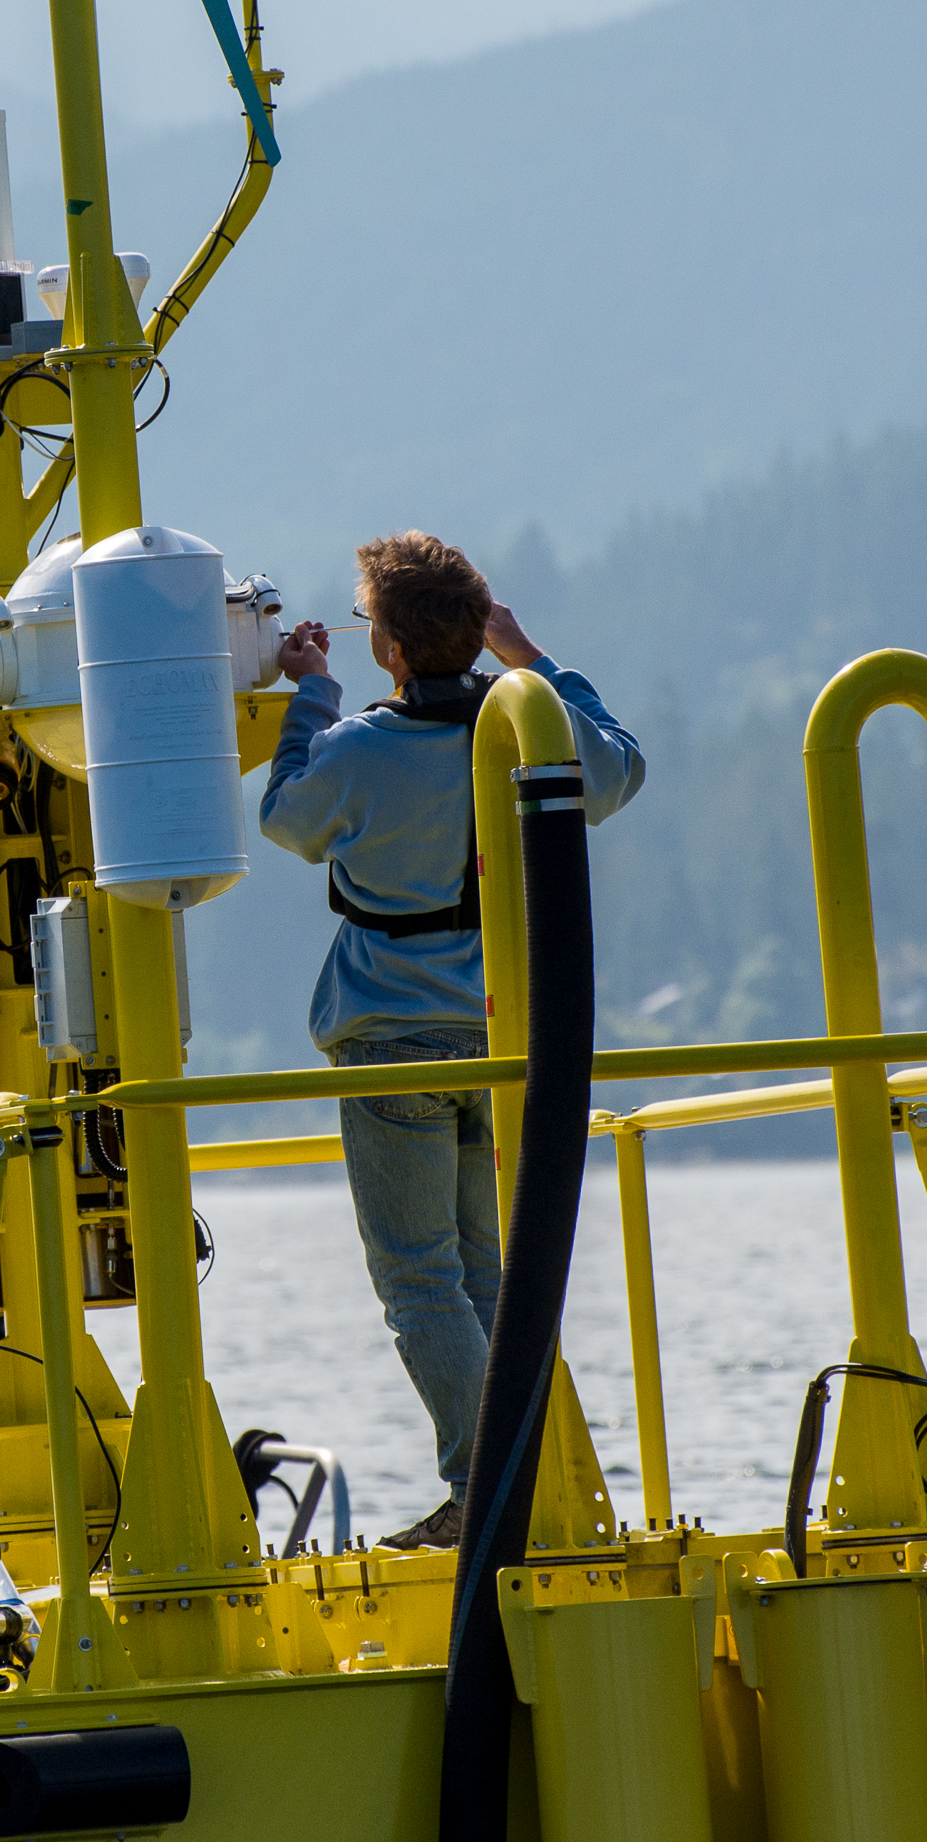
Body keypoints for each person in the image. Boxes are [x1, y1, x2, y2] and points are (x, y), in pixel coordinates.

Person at [259, 535, 645, 1549]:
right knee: (485, 1271)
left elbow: (288, 821)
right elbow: (617, 773)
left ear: (383, 649)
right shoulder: (522, 727)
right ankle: (530, 1473)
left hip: (389, 1038)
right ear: (478, 627)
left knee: (419, 1280)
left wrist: (309, 695)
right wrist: (533, 661)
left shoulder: (354, 749)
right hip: (500, 1038)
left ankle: (489, 1484)